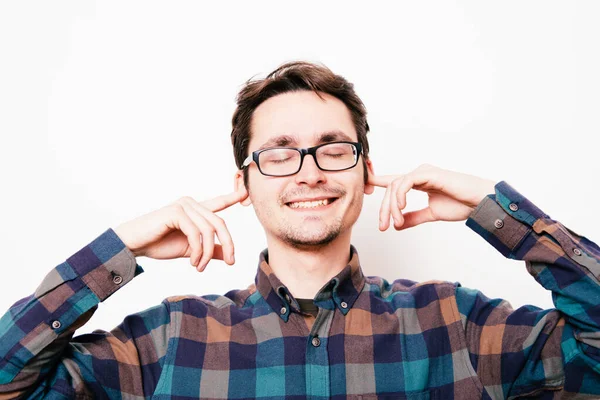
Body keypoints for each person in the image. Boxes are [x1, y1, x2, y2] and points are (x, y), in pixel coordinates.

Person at [0, 61, 598, 399]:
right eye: (280, 153)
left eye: (332, 149)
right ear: (246, 182)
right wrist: (121, 250)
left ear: (365, 171)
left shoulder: (457, 325)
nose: (309, 172)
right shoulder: (168, 341)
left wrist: (499, 215)